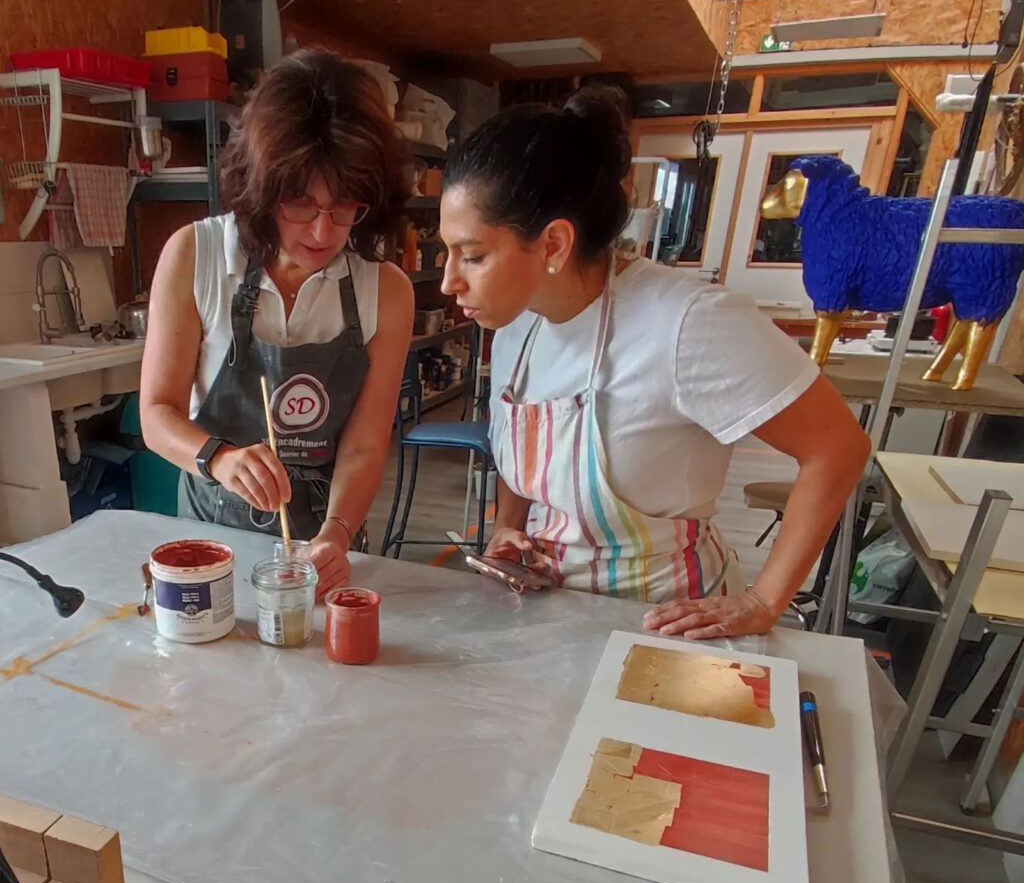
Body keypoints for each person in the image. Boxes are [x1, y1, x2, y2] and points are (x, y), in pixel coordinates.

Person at [439, 86, 871, 640]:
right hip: (551, 614)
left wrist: (764, 601)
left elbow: (838, 448)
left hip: (667, 627)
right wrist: (508, 527)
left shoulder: (687, 323)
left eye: (473, 256)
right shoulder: (516, 328)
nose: (449, 281)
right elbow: (528, 450)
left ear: (554, 245)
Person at [140, 50, 414, 597]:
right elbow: (157, 414)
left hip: (323, 544)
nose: (322, 231)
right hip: (210, 536)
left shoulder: (385, 290)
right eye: (300, 204)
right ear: (263, 188)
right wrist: (220, 458)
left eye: (345, 207)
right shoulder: (197, 256)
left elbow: (364, 445)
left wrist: (337, 535)